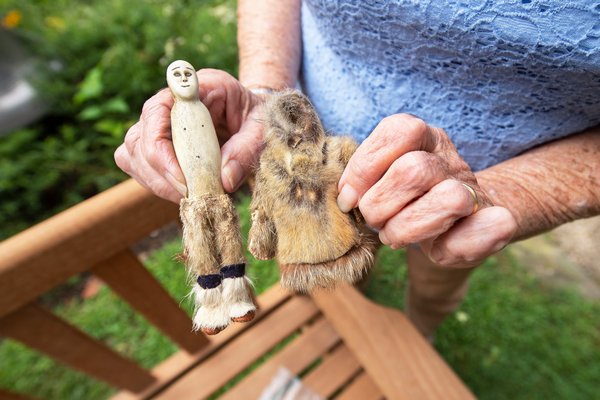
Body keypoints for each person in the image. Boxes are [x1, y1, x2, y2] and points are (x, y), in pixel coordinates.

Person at [115, 0, 600, 338]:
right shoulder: (280, 162)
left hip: (474, 179)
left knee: (440, 271)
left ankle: (419, 328)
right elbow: (263, 214)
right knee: (330, 266)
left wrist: (520, 190)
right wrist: (265, 89)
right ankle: (337, 309)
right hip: (314, 131)